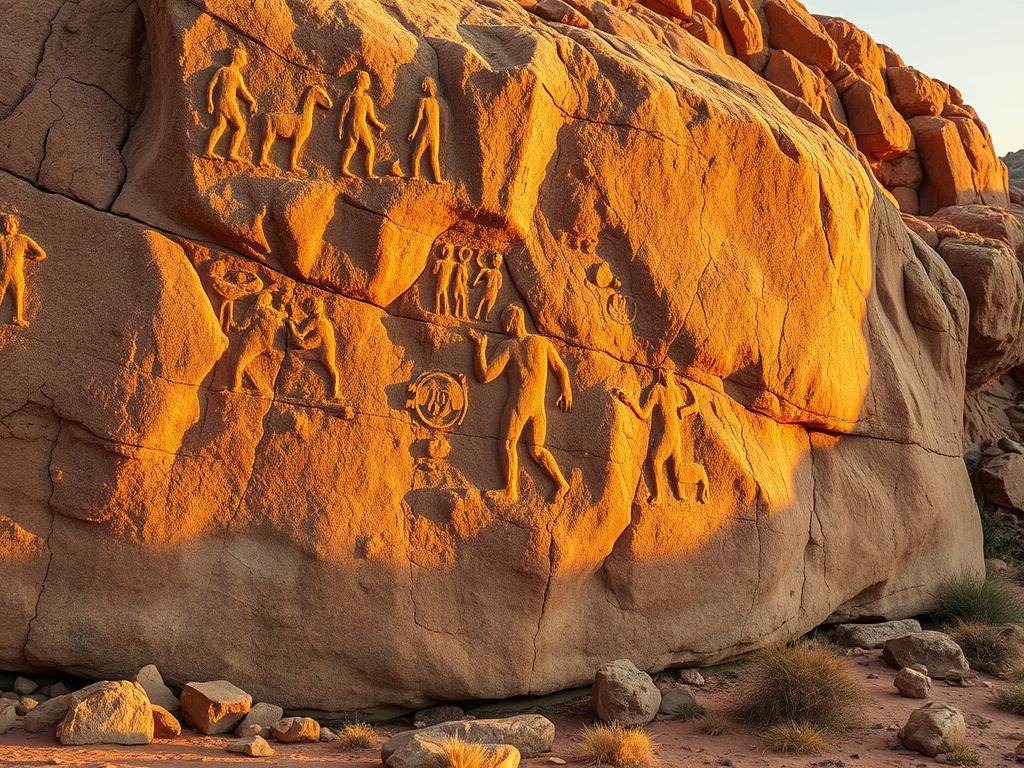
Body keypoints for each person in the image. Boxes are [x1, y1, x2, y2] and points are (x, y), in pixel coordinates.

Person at [468, 304, 572, 503]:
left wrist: (480, 349)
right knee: (537, 450)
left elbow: (485, 376)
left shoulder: (508, 346)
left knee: (507, 443)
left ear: (514, 318)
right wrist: (566, 390)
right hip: (538, 408)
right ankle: (561, 483)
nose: (503, 325)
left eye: (504, 321)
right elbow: (561, 368)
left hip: (519, 404)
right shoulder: (542, 343)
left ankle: (510, 490)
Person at [613, 365, 709, 505]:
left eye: (668, 372)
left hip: (669, 436)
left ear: (671, 374)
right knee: (676, 471)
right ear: (660, 374)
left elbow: (649, 414)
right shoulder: (660, 391)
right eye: (663, 372)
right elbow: (649, 414)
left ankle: (659, 496)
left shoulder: (667, 391)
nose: (666, 375)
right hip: (673, 436)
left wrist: (631, 402)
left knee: (656, 461)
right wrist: (631, 402)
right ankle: (686, 490)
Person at [205, 48, 258, 162]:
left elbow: (211, 84)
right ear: (237, 58)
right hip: (229, 103)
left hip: (220, 102)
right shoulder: (234, 74)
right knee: (241, 127)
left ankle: (208, 151)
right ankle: (232, 153)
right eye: (243, 58)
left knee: (220, 126)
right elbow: (243, 91)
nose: (245, 62)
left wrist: (211, 101)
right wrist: (252, 101)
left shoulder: (222, 70)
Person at [287, 296, 342, 400]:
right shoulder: (324, 320)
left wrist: (291, 326)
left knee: (296, 350)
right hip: (327, 347)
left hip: (319, 346)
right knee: (332, 369)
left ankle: (333, 394)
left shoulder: (315, 320)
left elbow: (300, 335)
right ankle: (335, 393)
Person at [231, 290, 286, 393]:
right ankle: (252, 384)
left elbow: (243, 326)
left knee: (239, 360)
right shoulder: (269, 311)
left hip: (255, 339)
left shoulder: (255, 310)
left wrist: (232, 323)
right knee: (244, 361)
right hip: (269, 341)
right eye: (269, 301)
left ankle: (236, 385)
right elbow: (282, 316)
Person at [0, 212, 46, 328]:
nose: (8, 226)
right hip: (2, 272)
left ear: (16, 225)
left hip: (16, 273)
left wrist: (31, 257)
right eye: (5, 223)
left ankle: (19, 318)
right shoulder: (1, 239)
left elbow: (42, 254)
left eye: (11, 223)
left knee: (19, 293)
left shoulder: (23, 239)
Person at [338, 71, 387, 178]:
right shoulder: (354, 97)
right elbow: (344, 113)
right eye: (367, 80)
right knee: (359, 148)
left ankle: (361, 172)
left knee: (359, 148)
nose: (369, 83)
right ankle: (349, 170)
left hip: (357, 126)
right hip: (356, 125)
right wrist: (340, 128)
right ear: (361, 81)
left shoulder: (364, 99)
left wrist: (379, 125)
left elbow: (371, 117)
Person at [407, 77, 442, 182]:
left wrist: (414, 132)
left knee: (416, 155)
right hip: (436, 134)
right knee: (434, 157)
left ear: (425, 86)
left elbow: (419, 118)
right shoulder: (436, 103)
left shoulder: (423, 101)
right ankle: (438, 179)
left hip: (426, 132)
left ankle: (415, 175)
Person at [472, 252, 503, 321]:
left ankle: (485, 316)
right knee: (482, 301)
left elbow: (499, 284)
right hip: (487, 289)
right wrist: (478, 283)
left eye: (498, 262)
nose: (496, 263)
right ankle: (477, 314)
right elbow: (481, 280)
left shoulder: (498, 273)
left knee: (489, 303)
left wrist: (495, 288)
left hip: (493, 290)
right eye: (495, 261)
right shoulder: (488, 271)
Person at [432, 244, 456, 316]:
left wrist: (434, 263)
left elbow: (434, 272)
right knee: (444, 294)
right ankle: (446, 311)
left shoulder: (440, 262)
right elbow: (450, 272)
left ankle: (437, 310)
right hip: (447, 280)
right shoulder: (451, 263)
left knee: (438, 294)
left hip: (441, 279)